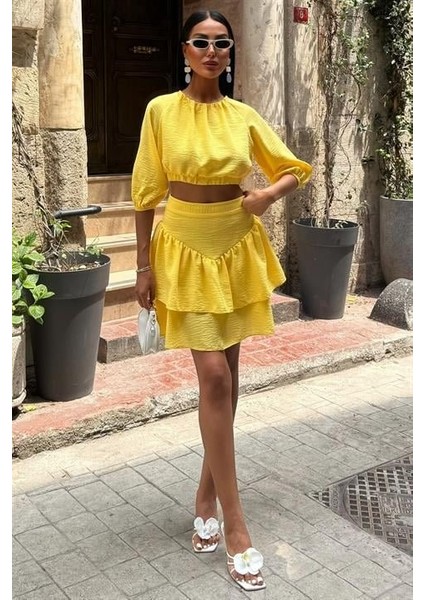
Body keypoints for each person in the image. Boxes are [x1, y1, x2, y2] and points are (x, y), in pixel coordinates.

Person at [132, 9, 312, 592]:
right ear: (184, 51)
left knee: (227, 381)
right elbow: (145, 193)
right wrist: (142, 266)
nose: (212, 51)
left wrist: (266, 197)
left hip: (236, 245)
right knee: (214, 377)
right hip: (183, 247)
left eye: (222, 43)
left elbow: (294, 169)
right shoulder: (161, 110)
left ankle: (206, 495)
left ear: (230, 53)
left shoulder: (243, 115)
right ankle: (236, 525)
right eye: (201, 42)